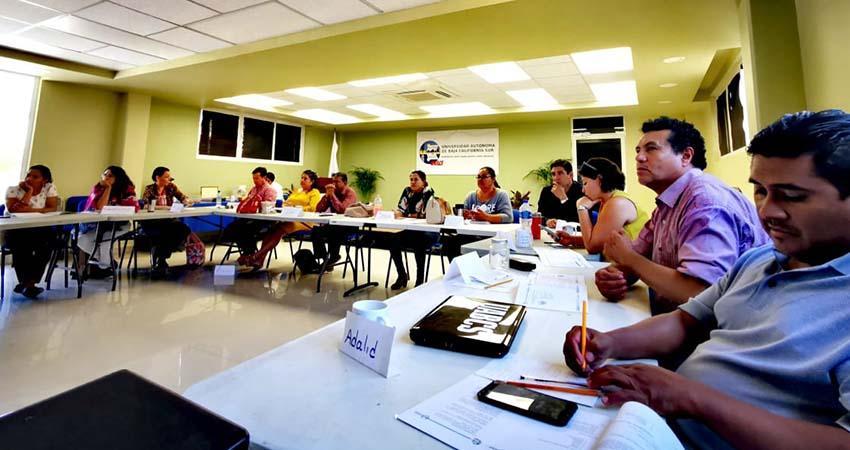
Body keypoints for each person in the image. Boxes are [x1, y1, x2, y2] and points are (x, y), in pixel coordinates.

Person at [563, 109, 850, 450]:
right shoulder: (760, 261)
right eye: (760, 191)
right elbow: (685, 321)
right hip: (656, 425)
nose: (767, 211)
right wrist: (608, 343)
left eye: (791, 195)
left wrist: (692, 398)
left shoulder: (707, 201)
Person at [596, 117, 768, 315]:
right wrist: (615, 278)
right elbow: (635, 259)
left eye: (651, 149)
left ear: (686, 156)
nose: (639, 157)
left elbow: (700, 293)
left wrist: (629, 259)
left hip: (723, 335)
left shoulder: (704, 201)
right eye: (638, 151)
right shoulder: (666, 203)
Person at [555, 158, 648, 253]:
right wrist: (572, 240)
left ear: (600, 179)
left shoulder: (617, 204)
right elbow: (600, 241)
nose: (583, 190)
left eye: (585, 183)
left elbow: (592, 247)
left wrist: (581, 208)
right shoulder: (608, 200)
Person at [239, 170, 321, 268]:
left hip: (305, 221)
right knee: (271, 230)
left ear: (312, 181)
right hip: (290, 217)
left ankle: (257, 256)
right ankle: (260, 260)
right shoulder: (297, 191)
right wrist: (286, 207)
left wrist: (296, 208)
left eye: (305, 178)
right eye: (301, 178)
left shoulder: (314, 193)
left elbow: (313, 208)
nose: (302, 180)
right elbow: (286, 202)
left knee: (279, 230)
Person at [4, 165, 59, 299]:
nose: (29, 178)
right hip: (15, 228)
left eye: (35, 177)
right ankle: (29, 284)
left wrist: (29, 210)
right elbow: (13, 210)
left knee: (49, 242)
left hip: (39, 228)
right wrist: (29, 191)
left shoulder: (49, 188)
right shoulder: (13, 190)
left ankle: (28, 283)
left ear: (44, 180)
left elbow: (52, 208)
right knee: (22, 245)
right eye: (28, 175)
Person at [78, 166, 138, 279]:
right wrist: (108, 189)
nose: (106, 177)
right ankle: (109, 263)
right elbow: (100, 208)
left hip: (119, 225)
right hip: (98, 225)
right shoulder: (98, 188)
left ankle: (105, 265)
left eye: (110, 175)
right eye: (104, 174)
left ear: (118, 178)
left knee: (105, 242)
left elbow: (133, 208)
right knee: (81, 239)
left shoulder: (127, 189)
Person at [140, 166, 193, 276]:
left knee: (184, 229)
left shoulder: (171, 187)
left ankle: (160, 255)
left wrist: (186, 201)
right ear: (157, 177)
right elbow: (145, 205)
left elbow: (182, 197)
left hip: (168, 220)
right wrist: (164, 208)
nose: (170, 179)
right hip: (152, 221)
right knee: (165, 233)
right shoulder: (149, 189)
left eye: (170, 177)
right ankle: (161, 259)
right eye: (167, 177)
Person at [389, 170, 437, 289]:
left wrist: (406, 215)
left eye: (416, 179)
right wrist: (398, 213)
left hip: (429, 233)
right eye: (411, 179)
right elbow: (401, 208)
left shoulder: (428, 191)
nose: (413, 182)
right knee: (392, 240)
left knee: (418, 241)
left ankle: (420, 280)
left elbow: (423, 214)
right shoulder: (407, 191)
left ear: (424, 182)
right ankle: (402, 276)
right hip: (411, 230)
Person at [220, 167, 277, 266]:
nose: (254, 181)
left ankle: (249, 254)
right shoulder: (254, 189)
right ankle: (248, 252)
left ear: (264, 177)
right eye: (253, 178)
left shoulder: (270, 190)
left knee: (245, 229)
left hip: (263, 220)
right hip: (250, 217)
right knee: (231, 228)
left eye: (257, 178)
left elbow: (268, 209)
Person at [311, 172, 357, 268]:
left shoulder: (350, 193)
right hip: (334, 224)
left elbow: (343, 210)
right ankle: (325, 259)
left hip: (348, 225)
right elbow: (319, 209)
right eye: (333, 181)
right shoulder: (332, 192)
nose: (334, 184)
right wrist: (327, 196)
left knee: (334, 231)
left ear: (345, 182)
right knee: (316, 231)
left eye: (337, 182)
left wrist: (333, 196)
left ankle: (334, 256)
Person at [538, 159, 584, 226]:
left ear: (570, 175)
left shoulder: (581, 191)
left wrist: (563, 199)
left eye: (560, 173)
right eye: (553, 174)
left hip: (573, 233)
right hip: (551, 231)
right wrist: (547, 221)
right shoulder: (546, 191)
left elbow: (578, 220)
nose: (556, 178)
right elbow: (540, 215)